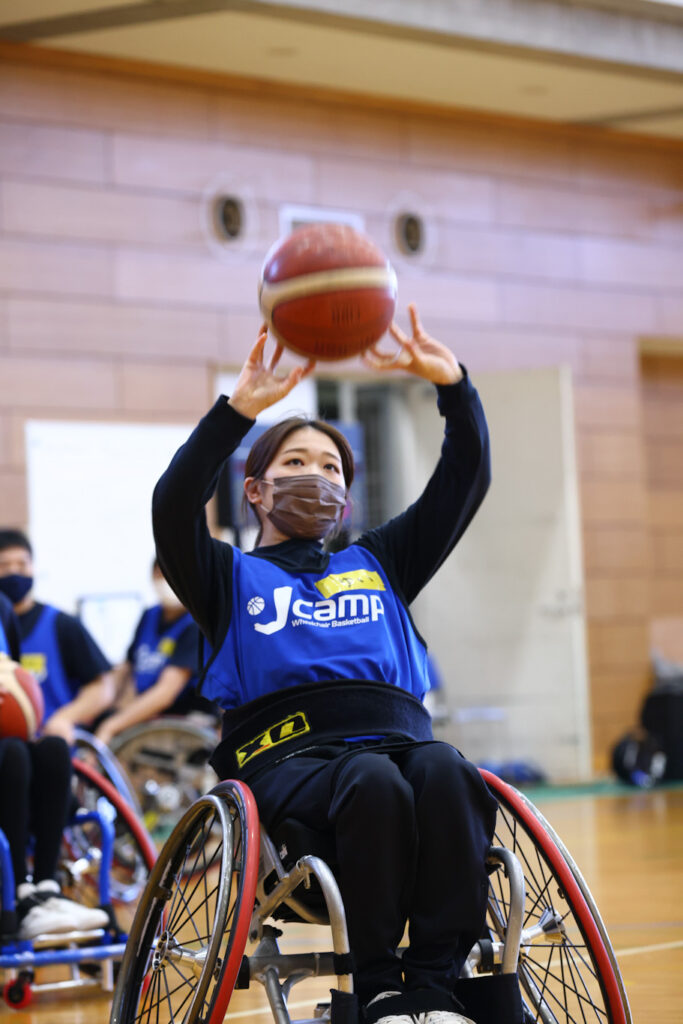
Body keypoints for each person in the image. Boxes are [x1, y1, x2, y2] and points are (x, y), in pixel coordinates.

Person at [152, 305, 499, 1024]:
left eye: (332, 466)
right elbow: (173, 503)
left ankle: (434, 986)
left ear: (346, 495)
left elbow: (463, 481)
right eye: (296, 463)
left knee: (447, 770)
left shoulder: (380, 561)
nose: (318, 475)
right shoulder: (225, 577)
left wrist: (454, 388)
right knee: (371, 780)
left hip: (401, 744)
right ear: (256, 488)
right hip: (292, 765)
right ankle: (373, 985)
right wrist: (236, 411)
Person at [0, 592, 109, 940]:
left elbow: (15, 680)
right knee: (15, 754)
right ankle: (18, 896)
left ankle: (46, 887)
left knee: (52, 750)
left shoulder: (3, 608)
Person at [0, 530, 115, 745]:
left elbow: (103, 686)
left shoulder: (61, 624)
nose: (14, 572)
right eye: (4, 566)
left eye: (22, 565)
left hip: (50, 744)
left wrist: (66, 717)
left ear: (33, 567)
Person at [94, 558, 207, 748]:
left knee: (108, 729)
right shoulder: (149, 616)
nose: (164, 580)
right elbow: (127, 668)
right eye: (159, 574)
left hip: (185, 721)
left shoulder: (195, 623)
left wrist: (111, 726)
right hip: (148, 716)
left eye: (171, 574)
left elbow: (165, 693)